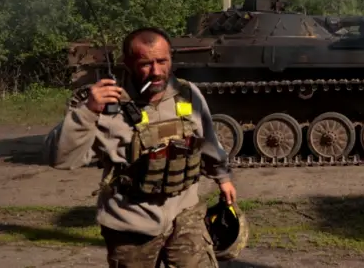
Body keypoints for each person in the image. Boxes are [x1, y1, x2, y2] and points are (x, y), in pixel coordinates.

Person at [43, 27, 236, 267]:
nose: (156, 71)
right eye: (146, 63)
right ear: (127, 63)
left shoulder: (187, 94)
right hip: (131, 224)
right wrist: (87, 113)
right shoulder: (105, 106)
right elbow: (60, 158)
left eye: (162, 61)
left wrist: (223, 177)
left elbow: (207, 139)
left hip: (185, 214)